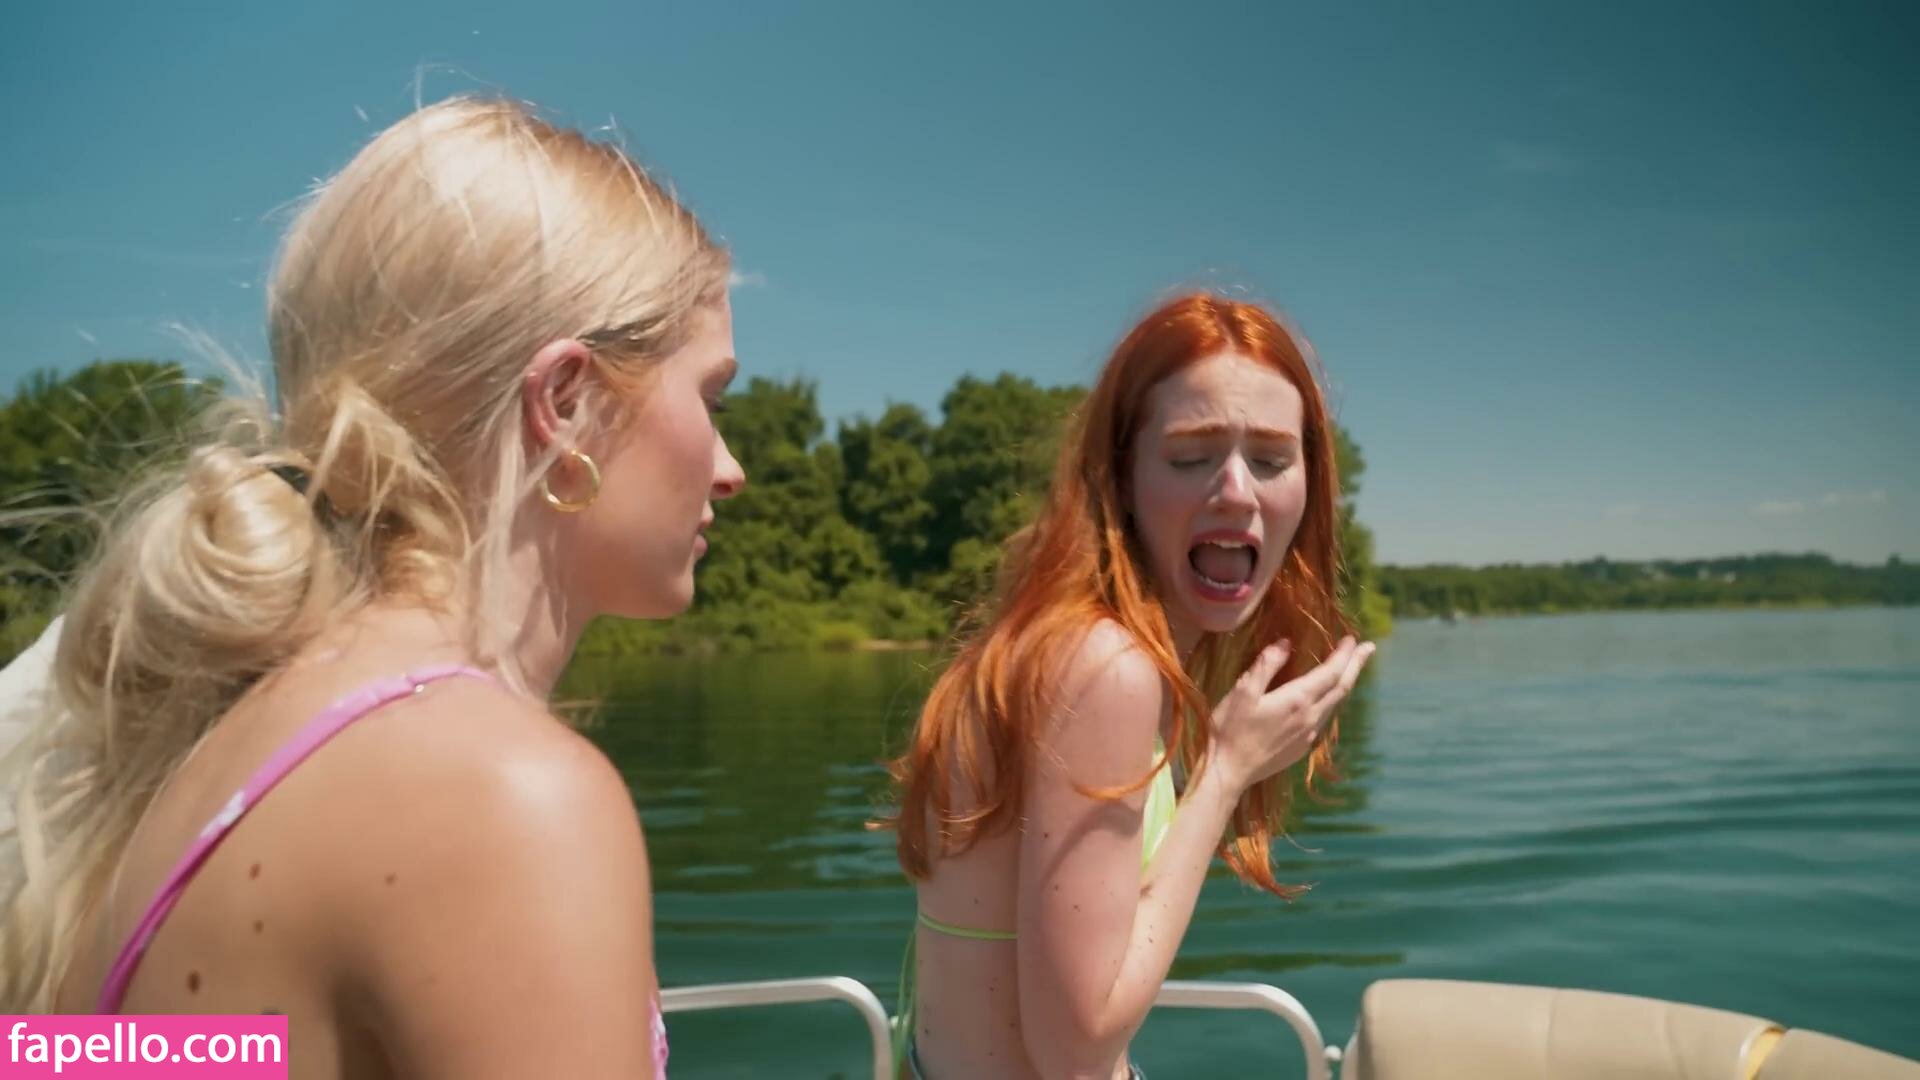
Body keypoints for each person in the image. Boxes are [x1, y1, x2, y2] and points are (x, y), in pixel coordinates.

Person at [0, 96, 743, 1078]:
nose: (730, 468)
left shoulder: (175, 757)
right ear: (566, 404)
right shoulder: (498, 800)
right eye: (711, 396)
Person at [886, 293, 1375, 1078]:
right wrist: (1224, 772)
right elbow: (1075, 1050)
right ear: (1120, 476)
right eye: (1190, 457)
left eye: (1271, 459)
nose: (1237, 490)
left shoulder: (1055, 642)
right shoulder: (1105, 668)